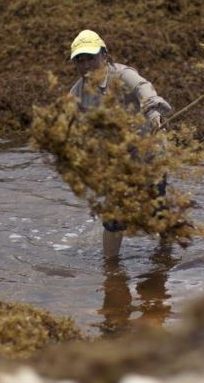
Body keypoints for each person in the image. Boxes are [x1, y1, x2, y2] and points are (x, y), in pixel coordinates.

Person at [68, 29, 172, 258]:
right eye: (80, 60)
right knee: (114, 217)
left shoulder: (122, 75)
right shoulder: (77, 94)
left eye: (90, 58)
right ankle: (110, 268)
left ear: (104, 55)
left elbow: (143, 88)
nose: (85, 65)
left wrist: (154, 113)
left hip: (149, 152)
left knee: (155, 209)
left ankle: (166, 254)